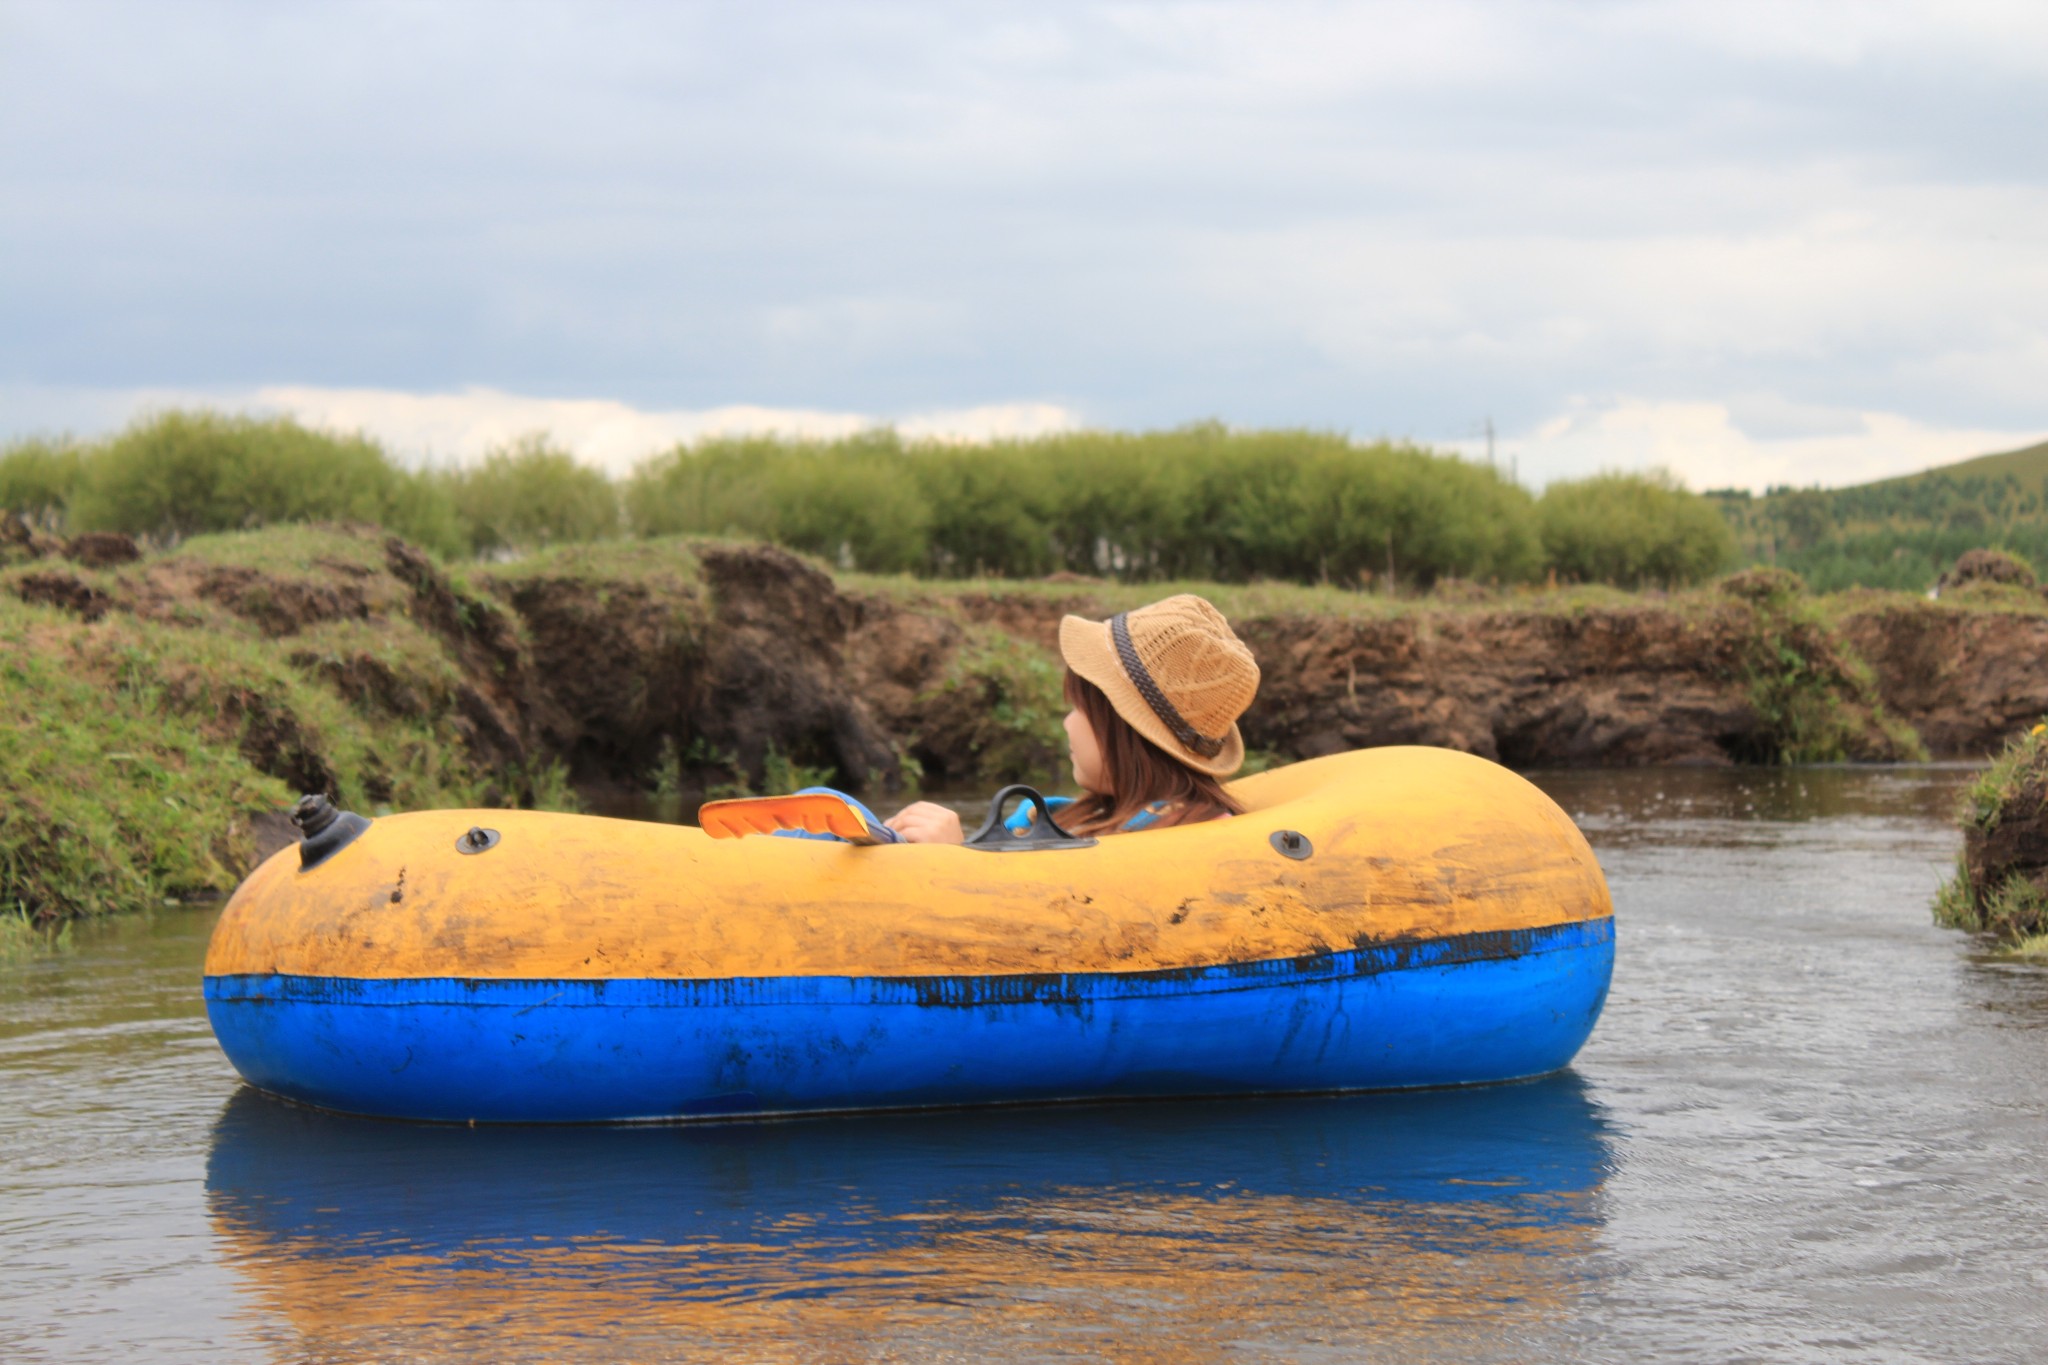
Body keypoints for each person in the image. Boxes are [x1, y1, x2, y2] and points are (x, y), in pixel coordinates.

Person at [888, 593, 1261, 843]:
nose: (1067, 723)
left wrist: (952, 863)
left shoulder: (1179, 844)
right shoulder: (1087, 816)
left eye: (1080, 709)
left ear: (1127, 731)